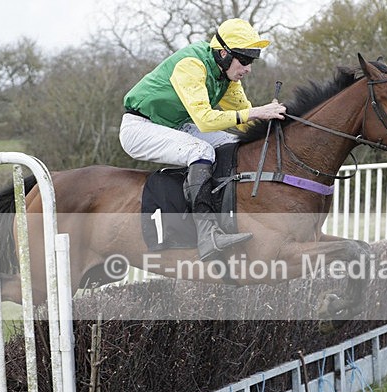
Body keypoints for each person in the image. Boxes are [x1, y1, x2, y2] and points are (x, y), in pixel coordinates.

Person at [120, 18, 287, 261]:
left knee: (232, 146)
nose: (248, 68)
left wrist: (280, 117)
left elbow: (246, 119)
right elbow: (206, 121)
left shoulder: (226, 76)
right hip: (140, 128)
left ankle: (229, 216)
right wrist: (256, 111)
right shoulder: (192, 65)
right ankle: (206, 234)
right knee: (201, 150)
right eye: (245, 60)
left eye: (252, 61)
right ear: (223, 54)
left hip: (175, 125)